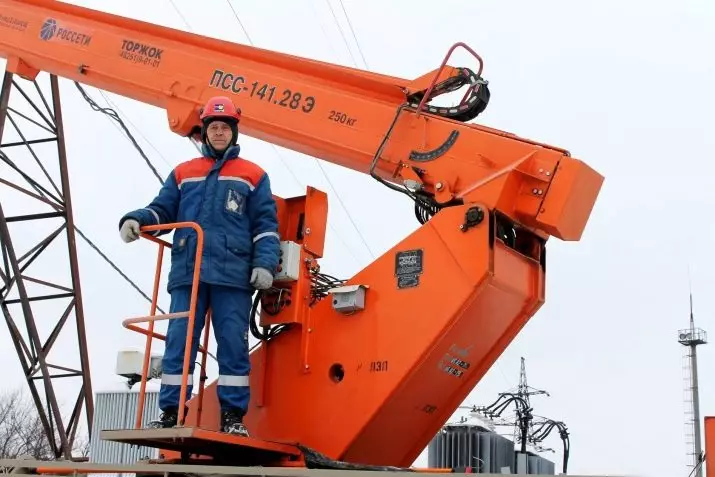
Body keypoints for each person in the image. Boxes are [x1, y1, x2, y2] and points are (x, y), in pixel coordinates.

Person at [117, 96, 280, 437]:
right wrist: (136, 219)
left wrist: (265, 264)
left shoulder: (254, 175)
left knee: (233, 346)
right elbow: (162, 210)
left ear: (234, 132)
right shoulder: (183, 173)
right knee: (178, 342)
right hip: (187, 274)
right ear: (204, 132)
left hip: (233, 276)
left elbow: (265, 226)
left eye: (225, 128)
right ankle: (170, 413)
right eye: (214, 128)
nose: (219, 133)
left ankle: (232, 417)